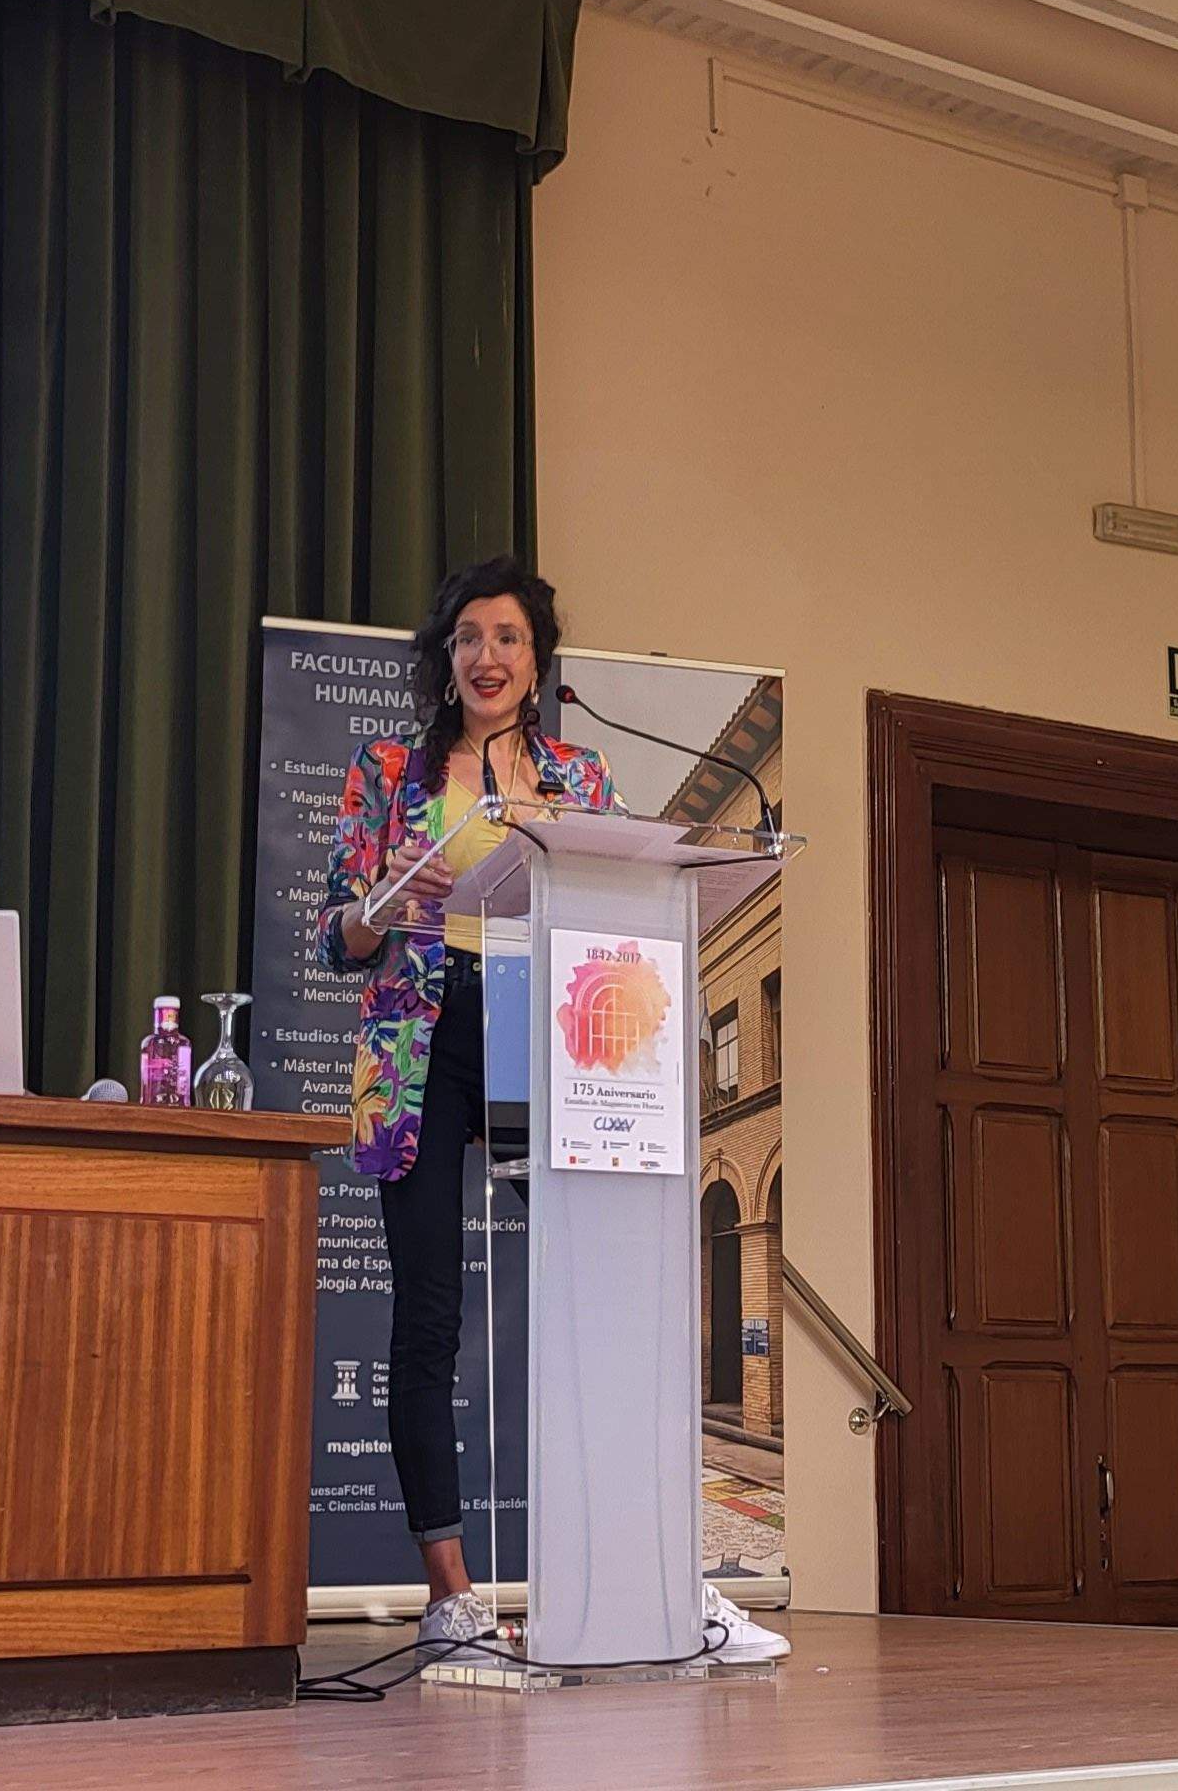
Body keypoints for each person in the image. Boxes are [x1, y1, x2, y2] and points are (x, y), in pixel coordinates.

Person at [311, 556, 787, 1664]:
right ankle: (452, 1601)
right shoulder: (388, 769)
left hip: (543, 1035)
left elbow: (623, 891)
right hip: (422, 1043)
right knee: (427, 1319)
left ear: (537, 662)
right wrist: (380, 908)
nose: (487, 656)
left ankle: (669, 1584)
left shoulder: (578, 773)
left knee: (605, 1306)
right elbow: (335, 937)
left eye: (509, 638)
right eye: (469, 636)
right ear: (446, 657)